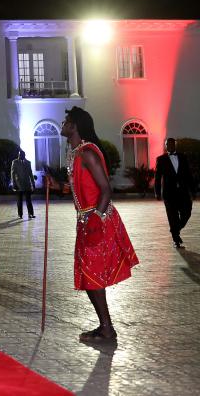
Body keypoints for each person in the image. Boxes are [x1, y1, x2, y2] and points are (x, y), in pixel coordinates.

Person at [61, 106, 139, 342]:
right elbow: (83, 188)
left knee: (92, 276)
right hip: (86, 219)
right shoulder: (76, 153)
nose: (62, 124)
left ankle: (107, 328)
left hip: (97, 220)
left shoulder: (87, 153)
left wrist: (95, 218)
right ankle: (105, 326)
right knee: (88, 276)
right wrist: (58, 187)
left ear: (74, 126)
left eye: (66, 121)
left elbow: (106, 189)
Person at [155, 138, 195, 248]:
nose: (170, 146)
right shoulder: (161, 159)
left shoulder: (183, 157)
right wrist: (157, 192)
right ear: (166, 146)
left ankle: (175, 229)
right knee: (172, 216)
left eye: (172, 144)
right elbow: (157, 177)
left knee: (187, 212)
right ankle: (176, 238)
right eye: (168, 144)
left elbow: (188, 174)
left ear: (175, 145)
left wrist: (193, 189)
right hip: (169, 193)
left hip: (183, 192)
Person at [11, 149, 36, 219]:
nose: (20, 156)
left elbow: (30, 174)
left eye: (22, 155)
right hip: (18, 184)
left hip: (27, 184)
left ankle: (30, 214)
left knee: (28, 200)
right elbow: (12, 174)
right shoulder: (15, 162)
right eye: (19, 155)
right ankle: (20, 214)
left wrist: (33, 184)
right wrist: (14, 184)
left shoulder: (28, 162)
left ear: (24, 155)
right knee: (19, 200)